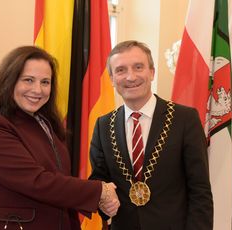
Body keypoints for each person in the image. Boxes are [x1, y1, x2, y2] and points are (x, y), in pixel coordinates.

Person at [0, 46, 120, 230]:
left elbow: (58, 184)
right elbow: (35, 181)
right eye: (28, 80)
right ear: (9, 81)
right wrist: (99, 191)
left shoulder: (45, 124)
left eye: (45, 82)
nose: (37, 90)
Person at [89, 40, 213, 230]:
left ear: (152, 72)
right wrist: (104, 201)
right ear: (112, 79)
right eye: (121, 70)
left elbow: (200, 190)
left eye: (138, 67)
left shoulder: (184, 119)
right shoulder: (103, 125)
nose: (130, 77)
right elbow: (99, 180)